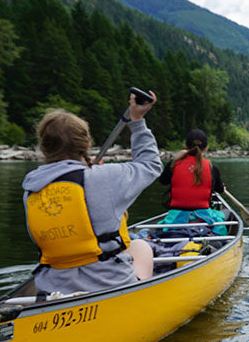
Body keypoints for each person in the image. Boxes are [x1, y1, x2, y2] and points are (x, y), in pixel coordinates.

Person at [22, 91, 162, 296]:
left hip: (52, 288)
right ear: (87, 145)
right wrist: (137, 120)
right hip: (109, 285)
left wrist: (88, 170)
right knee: (140, 246)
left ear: (43, 147)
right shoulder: (105, 177)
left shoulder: (32, 187)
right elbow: (150, 164)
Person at [158, 128, 227, 234]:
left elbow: (163, 181)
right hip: (204, 214)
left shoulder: (173, 164)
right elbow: (219, 189)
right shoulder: (212, 168)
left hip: (176, 215)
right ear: (206, 148)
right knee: (224, 214)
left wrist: (177, 158)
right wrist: (222, 188)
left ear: (185, 146)